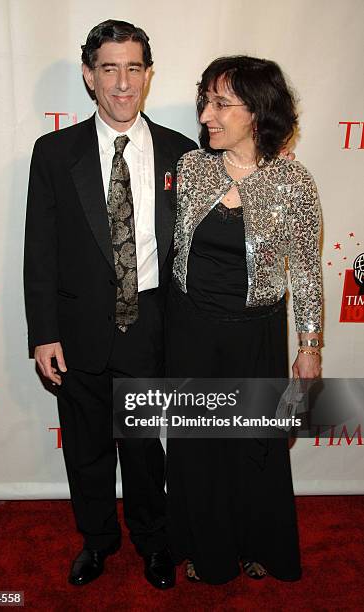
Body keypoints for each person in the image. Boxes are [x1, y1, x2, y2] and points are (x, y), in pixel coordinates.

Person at [24, 19, 196, 589]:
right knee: (86, 447)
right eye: (109, 68)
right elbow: (40, 252)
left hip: (151, 325)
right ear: (88, 75)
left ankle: (153, 541)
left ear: (148, 75)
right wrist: (44, 332)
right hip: (77, 330)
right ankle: (97, 541)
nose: (122, 83)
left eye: (133, 68)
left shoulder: (184, 152)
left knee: (146, 448)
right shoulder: (53, 153)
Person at [166, 55, 322, 584]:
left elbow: (304, 269)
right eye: (205, 100)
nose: (206, 113)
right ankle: (202, 546)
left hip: (256, 335)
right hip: (191, 333)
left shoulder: (293, 182)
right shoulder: (192, 168)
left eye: (221, 103)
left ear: (256, 112)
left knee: (255, 448)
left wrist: (310, 344)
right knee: (197, 449)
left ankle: (258, 542)